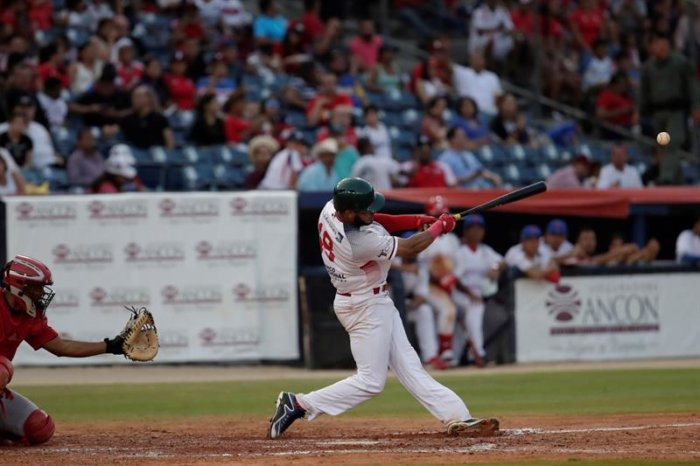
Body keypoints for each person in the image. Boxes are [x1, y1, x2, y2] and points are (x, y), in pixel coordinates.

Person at [268, 177, 499, 439]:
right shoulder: (358, 243)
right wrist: (438, 228)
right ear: (348, 212)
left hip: (371, 300)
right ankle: (299, 404)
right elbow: (411, 247)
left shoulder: (332, 208)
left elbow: (376, 220)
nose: (371, 212)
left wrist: (415, 220)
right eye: (364, 208)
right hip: (364, 306)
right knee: (370, 381)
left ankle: (457, 417)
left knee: (411, 368)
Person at [0, 255, 138, 445]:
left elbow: (61, 347)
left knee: (40, 427)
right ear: (19, 286)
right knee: (2, 368)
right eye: (37, 288)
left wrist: (113, 346)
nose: (41, 293)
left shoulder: (29, 317)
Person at [639, 31, 700, 184]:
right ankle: (678, 183)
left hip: (676, 111)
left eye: (664, 45)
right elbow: (643, 91)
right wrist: (637, 110)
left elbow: (692, 87)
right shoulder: (648, 67)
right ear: (652, 47)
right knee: (662, 146)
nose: (661, 48)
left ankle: (665, 177)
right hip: (658, 112)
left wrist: (696, 107)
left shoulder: (681, 62)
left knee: (671, 142)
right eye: (657, 45)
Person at [452, 214, 505, 367]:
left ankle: (457, 358)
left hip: (479, 294)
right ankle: (479, 354)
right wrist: (470, 294)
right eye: (472, 229)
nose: (476, 232)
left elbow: (502, 261)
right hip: (460, 294)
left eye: (479, 229)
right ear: (466, 232)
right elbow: (455, 279)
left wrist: (496, 269)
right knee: (475, 310)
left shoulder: (485, 251)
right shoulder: (460, 252)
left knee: (464, 326)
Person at [453, 52, 502, 116]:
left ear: (484, 61)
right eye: (475, 59)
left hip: (488, 113)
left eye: (479, 59)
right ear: (470, 61)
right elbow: (446, 64)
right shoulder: (461, 72)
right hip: (467, 114)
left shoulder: (492, 76)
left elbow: (498, 97)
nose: (477, 61)